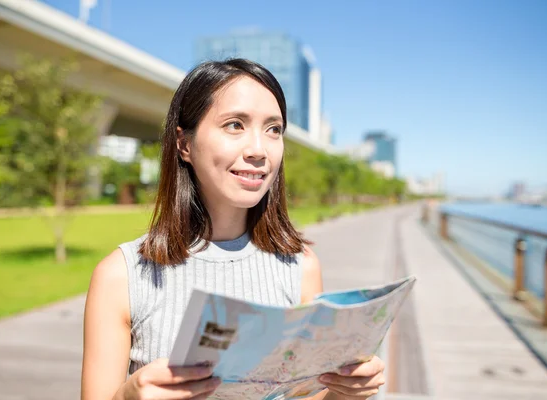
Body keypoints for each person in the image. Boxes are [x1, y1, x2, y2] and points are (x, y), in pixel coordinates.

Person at [81, 58, 386, 400]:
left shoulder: (300, 266)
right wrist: (128, 396)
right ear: (184, 145)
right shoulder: (121, 275)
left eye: (273, 129)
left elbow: (305, 396)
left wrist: (345, 391)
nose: (258, 150)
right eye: (235, 125)